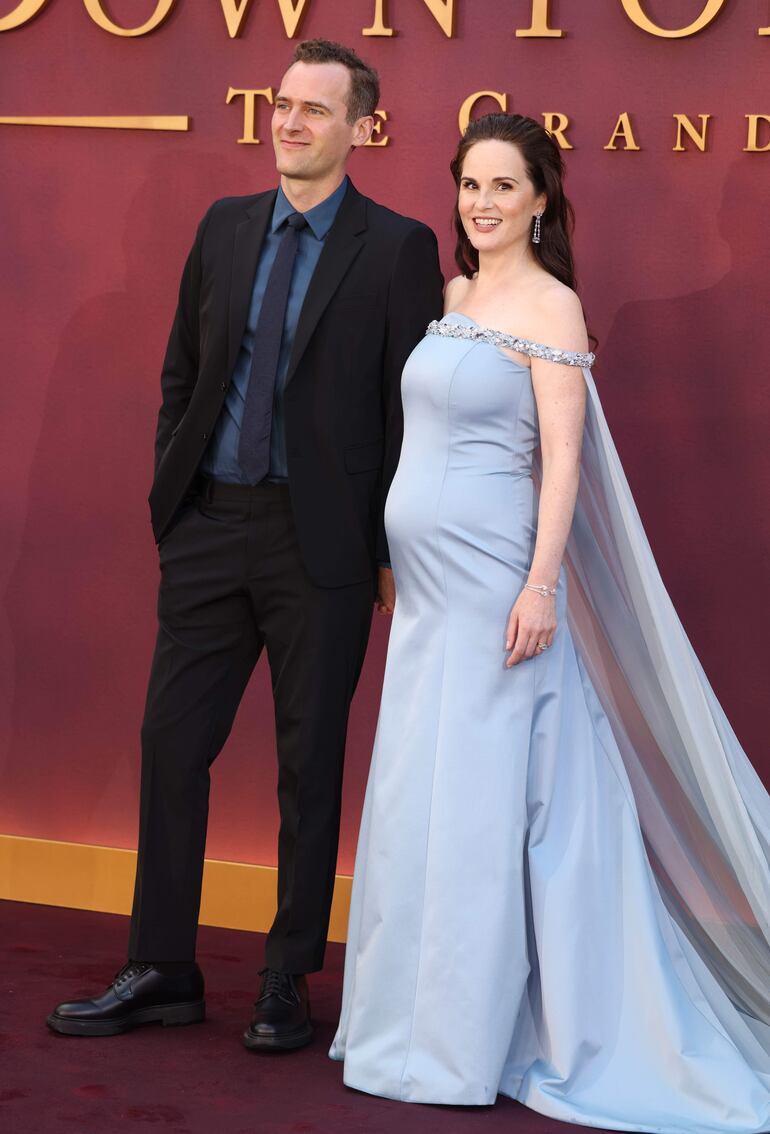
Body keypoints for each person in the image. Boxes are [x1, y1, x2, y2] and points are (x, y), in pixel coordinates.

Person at [330, 113, 770, 1132]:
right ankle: (395, 1027)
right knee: (414, 799)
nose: (479, 203)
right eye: (467, 185)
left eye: (500, 186)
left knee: (477, 817)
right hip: (429, 599)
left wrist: (538, 587)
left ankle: (454, 1046)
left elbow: (561, 463)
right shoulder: (454, 295)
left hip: (495, 591)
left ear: (539, 199)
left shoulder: (552, 306)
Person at [46, 39, 443, 1050]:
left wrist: (387, 549)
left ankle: (284, 981)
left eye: (315, 109)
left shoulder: (395, 248)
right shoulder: (223, 229)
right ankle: (162, 967)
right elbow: (185, 370)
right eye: (281, 104)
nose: (290, 123)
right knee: (169, 747)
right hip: (210, 530)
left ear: (362, 128)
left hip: (322, 549)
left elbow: (410, 414)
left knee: (308, 769)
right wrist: (172, 506)